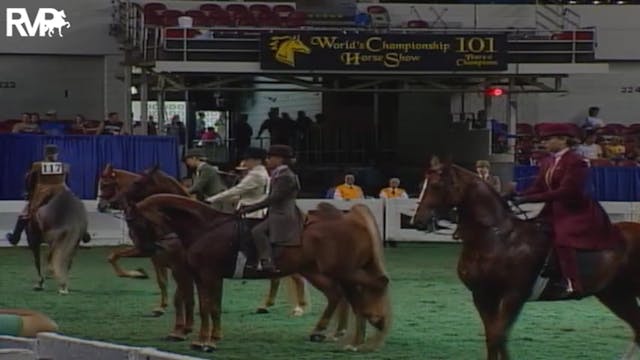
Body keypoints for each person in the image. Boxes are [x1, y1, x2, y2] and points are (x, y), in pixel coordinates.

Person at [512, 123, 622, 296]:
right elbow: (538, 186)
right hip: (554, 208)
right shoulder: (547, 161)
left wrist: (529, 199)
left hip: (577, 210)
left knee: (563, 238)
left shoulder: (576, 162)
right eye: (543, 139)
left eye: (548, 139)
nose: (544, 143)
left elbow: (567, 191)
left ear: (563, 140)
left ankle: (572, 283)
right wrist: (517, 195)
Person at [237, 145, 303, 273]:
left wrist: (248, 209)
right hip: (275, 211)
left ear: (279, 159)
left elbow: (273, 199)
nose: (267, 160)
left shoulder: (285, 176)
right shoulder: (279, 173)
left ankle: (267, 261)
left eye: (270, 157)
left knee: (257, 231)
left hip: (282, 214)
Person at [5, 145, 69, 245]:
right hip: (60, 194)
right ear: (56, 154)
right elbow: (65, 181)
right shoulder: (63, 166)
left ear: (45, 154)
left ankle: (15, 238)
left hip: (41, 194)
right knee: (73, 209)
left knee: (25, 214)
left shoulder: (37, 165)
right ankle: (84, 234)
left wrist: (28, 192)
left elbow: (29, 180)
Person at [206, 147, 269, 223]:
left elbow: (236, 190)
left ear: (258, 160)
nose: (245, 162)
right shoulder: (263, 172)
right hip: (254, 211)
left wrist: (212, 199)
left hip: (251, 213)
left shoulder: (255, 175)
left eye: (248, 160)